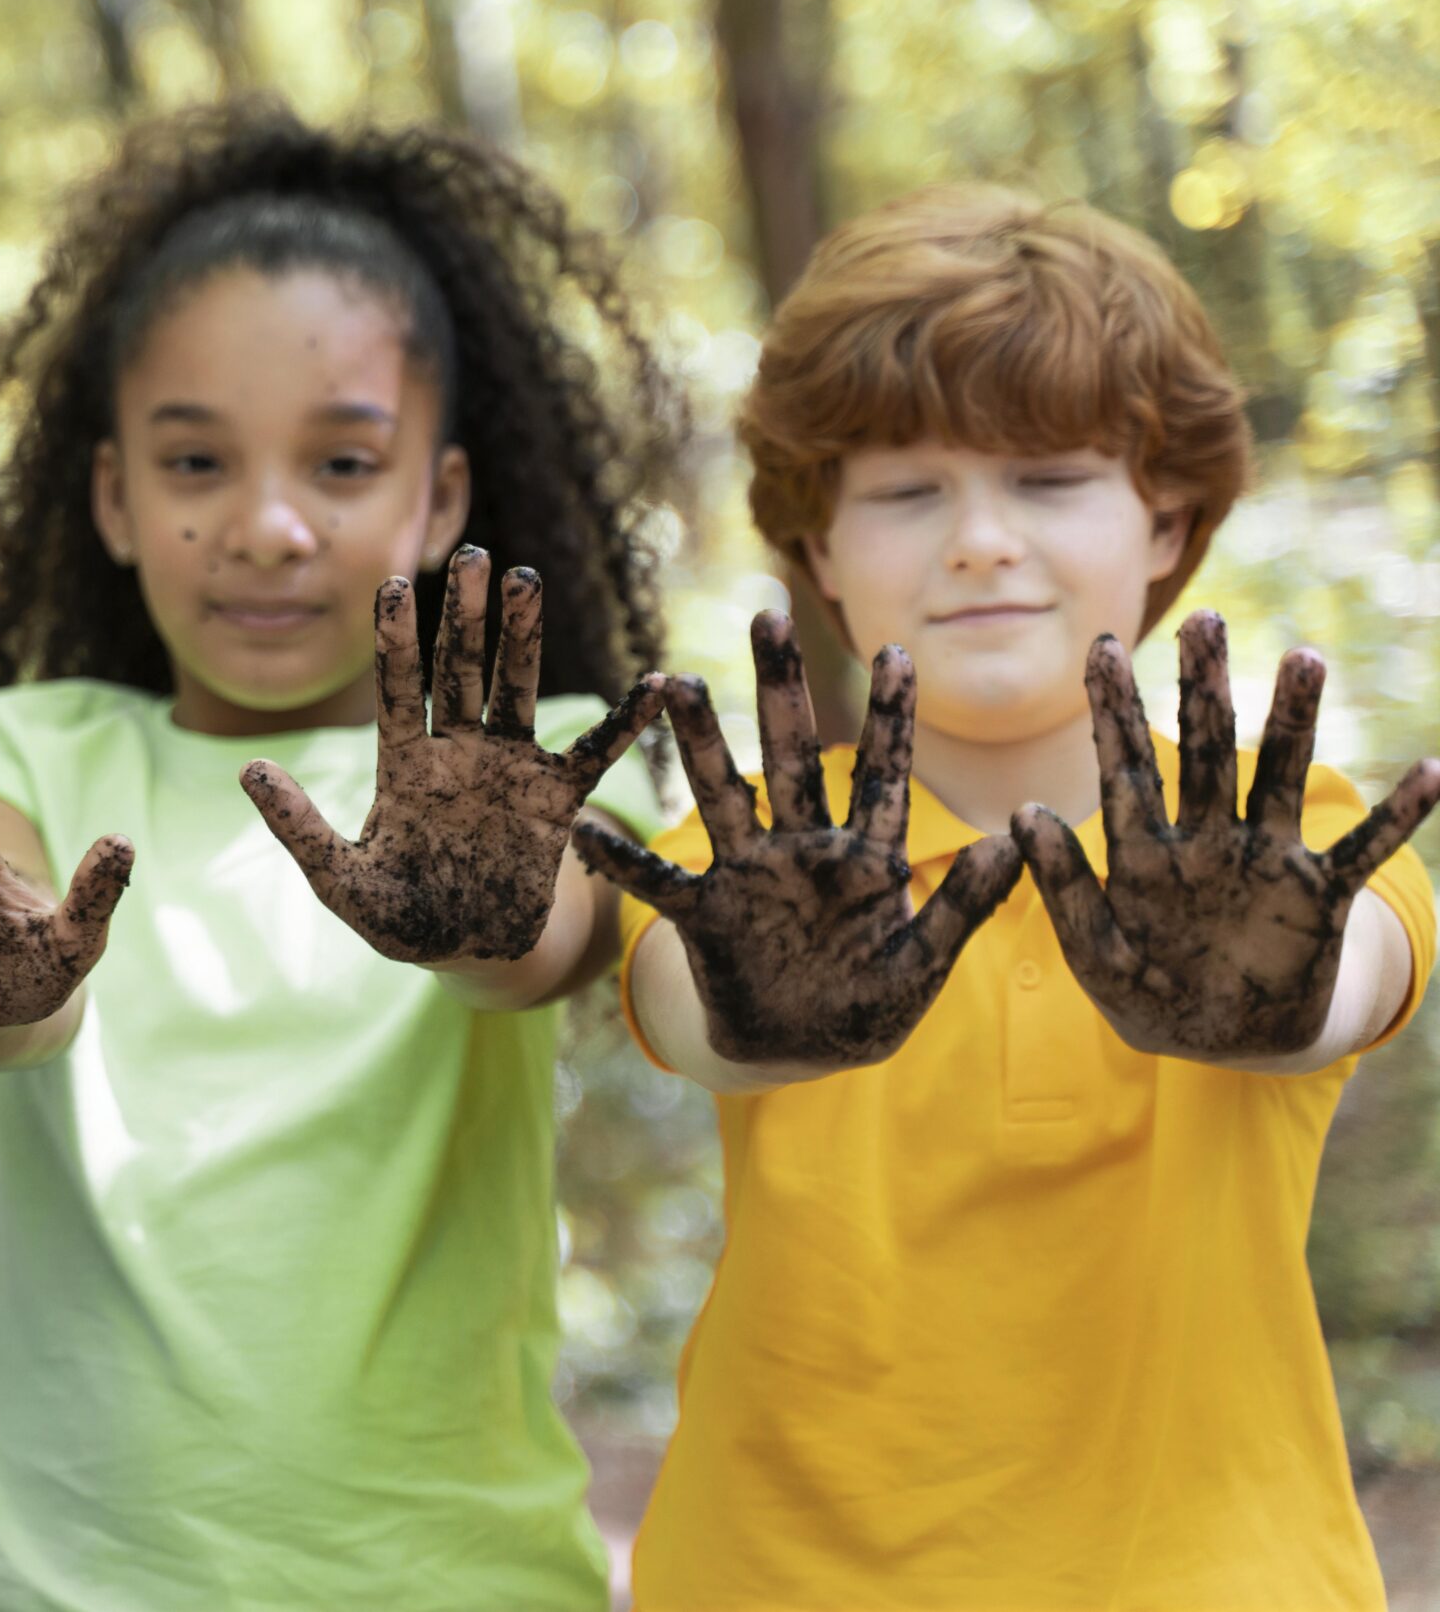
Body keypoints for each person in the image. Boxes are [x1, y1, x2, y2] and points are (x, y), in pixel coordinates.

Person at [0, 101, 675, 1611]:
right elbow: (25, 989)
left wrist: (478, 913)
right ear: (115, 500)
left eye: (343, 466)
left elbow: (542, 950)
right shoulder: (29, 754)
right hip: (45, 1585)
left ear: (442, 498)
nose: (267, 524)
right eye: (197, 462)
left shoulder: (545, 763)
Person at [575, 185, 1440, 1609]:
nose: (979, 541)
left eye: (1046, 481)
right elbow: (689, 1004)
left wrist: (1261, 987)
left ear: (1166, 522)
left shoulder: (1295, 850)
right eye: (909, 493)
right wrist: (764, 998)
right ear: (825, 557)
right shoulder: (765, 860)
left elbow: (1339, 985)